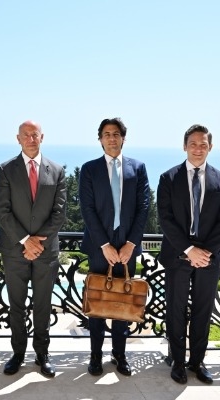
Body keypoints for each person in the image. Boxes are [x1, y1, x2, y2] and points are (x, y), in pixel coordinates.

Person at [157, 124, 220, 384]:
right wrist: (189, 250)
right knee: (175, 311)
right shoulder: (168, 178)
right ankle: (178, 362)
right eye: (193, 144)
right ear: (184, 146)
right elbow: (165, 219)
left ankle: (197, 362)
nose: (198, 149)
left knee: (203, 311)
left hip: (208, 260)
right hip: (177, 256)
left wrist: (205, 252)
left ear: (210, 147)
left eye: (203, 144)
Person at [0, 120, 67, 377]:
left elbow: (59, 213)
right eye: (25, 135)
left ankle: (42, 354)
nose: (30, 139)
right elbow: (2, 211)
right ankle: (17, 354)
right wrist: (26, 241)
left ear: (42, 137)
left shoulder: (56, 170)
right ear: (18, 139)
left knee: (43, 304)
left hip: (46, 252)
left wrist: (37, 243)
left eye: (35, 134)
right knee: (16, 305)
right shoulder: (5, 170)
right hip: (15, 250)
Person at [78, 118, 150, 377]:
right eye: (106, 134)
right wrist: (104, 245)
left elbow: (144, 207)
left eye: (116, 134)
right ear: (100, 139)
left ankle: (119, 355)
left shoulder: (138, 168)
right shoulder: (89, 169)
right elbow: (87, 209)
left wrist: (131, 244)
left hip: (127, 249)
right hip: (99, 248)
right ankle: (95, 356)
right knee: (97, 304)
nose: (111, 138)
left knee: (123, 303)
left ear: (123, 138)